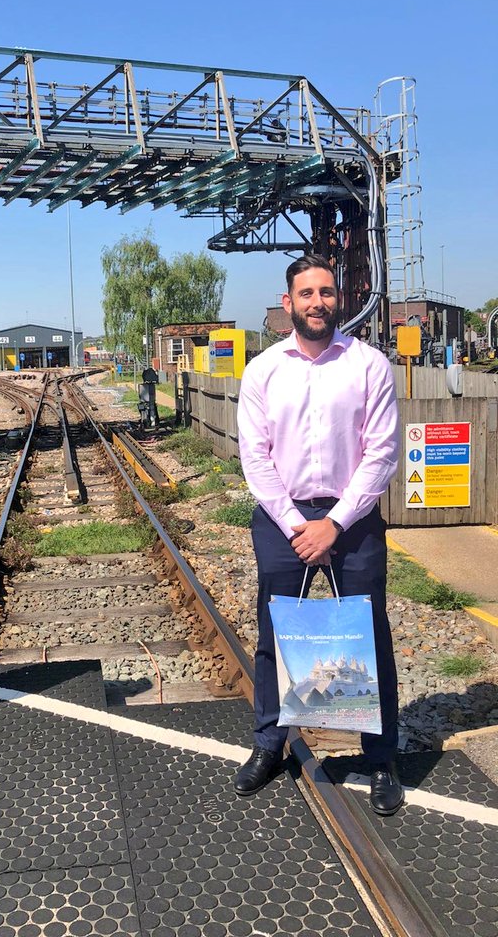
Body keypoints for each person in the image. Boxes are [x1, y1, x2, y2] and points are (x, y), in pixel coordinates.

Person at [235, 253, 402, 816]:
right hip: (282, 519)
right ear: (288, 304)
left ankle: (381, 760)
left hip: (351, 522)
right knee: (275, 634)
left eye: (326, 293)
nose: (317, 303)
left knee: (367, 635)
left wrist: (335, 523)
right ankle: (268, 745)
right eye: (306, 294)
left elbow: (381, 453)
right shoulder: (262, 370)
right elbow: (254, 458)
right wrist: (295, 525)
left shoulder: (370, 365)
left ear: (340, 299)